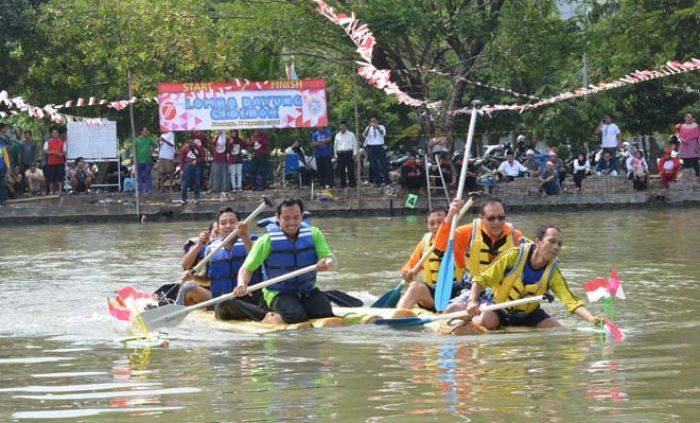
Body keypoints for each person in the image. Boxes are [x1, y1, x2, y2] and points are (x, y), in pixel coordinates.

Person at [460, 225, 601, 330]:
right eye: (551, 241)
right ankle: (469, 321)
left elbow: (570, 300)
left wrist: (591, 318)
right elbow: (481, 279)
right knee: (486, 324)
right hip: (499, 308)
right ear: (538, 242)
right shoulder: (513, 256)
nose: (556, 247)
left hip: (529, 314)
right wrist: (472, 301)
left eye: (559, 244)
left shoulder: (553, 272)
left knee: (558, 331)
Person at [235, 198, 335, 324]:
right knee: (296, 316)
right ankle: (271, 318)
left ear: (302, 216)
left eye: (296, 217)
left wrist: (326, 263)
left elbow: (329, 259)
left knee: (324, 312)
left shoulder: (314, 234)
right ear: (278, 217)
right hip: (278, 293)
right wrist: (241, 283)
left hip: (307, 290)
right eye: (286, 218)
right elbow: (246, 268)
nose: (292, 222)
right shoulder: (266, 241)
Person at [435, 198, 526, 314]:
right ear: (481, 218)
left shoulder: (516, 237)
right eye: (491, 218)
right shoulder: (468, 232)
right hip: (473, 289)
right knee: (451, 310)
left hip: (503, 291)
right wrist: (450, 216)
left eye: (501, 217)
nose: (496, 222)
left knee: (486, 315)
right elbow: (440, 245)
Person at [396, 208, 457, 310]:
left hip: (458, 295)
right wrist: (406, 272)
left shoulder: (461, 238)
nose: (436, 226)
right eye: (431, 224)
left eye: (440, 222)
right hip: (432, 296)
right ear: (427, 226)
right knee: (415, 287)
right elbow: (410, 265)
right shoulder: (425, 243)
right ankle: (398, 316)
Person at [362, 115, 390, 187]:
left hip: (380, 147)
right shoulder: (368, 128)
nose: (373, 122)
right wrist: (369, 127)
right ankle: (377, 182)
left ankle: (387, 181)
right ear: (370, 122)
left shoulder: (381, 126)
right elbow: (364, 135)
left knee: (383, 164)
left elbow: (383, 134)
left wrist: (377, 127)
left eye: (374, 121)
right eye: (372, 121)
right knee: (374, 165)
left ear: (377, 121)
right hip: (371, 147)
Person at [180, 134, 205, 204]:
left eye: (191, 140)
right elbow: (182, 159)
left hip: (196, 166)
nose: (190, 141)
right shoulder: (185, 149)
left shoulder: (199, 148)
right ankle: (183, 198)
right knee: (185, 183)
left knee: (196, 182)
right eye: (188, 140)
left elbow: (203, 156)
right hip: (187, 166)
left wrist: (197, 161)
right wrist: (181, 169)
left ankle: (196, 198)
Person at [334, 121, 357, 188]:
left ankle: (352, 183)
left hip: (349, 153)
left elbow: (354, 144)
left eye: (344, 126)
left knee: (350, 169)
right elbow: (335, 146)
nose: (342, 127)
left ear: (346, 126)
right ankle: (343, 184)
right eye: (341, 126)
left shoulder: (351, 134)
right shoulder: (337, 135)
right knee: (341, 170)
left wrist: (354, 154)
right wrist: (335, 155)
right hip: (340, 154)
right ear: (340, 126)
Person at [43, 127, 67, 195]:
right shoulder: (48, 142)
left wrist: (60, 154)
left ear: (58, 134)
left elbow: (65, 152)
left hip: (60, 162)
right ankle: (51, 191)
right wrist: (52, 152)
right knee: (51, 178)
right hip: (51, 163)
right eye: (53, 133)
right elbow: (45, 151)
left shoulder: (62, 142)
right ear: (51, 134)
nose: (55, 134)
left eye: (56, 133)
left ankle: (60, 190)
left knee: (60, 177)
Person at [134, 127, 156, 195]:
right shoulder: (136, 139)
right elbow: (133, 150)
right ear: (141, 132)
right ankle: (139, 189)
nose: (147, 132)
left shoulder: (149, 139)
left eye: (147, 131)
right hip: (139, 160)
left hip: (147, 160)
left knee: (148, 175)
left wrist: (152, 151)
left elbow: (155, 144)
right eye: (145, 131)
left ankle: (149, 189)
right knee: (139, 175)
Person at [677, 113, 700, 177]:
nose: (687, 118)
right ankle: (686, 176)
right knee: (685, 162)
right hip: (685, 146)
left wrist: (698, 146)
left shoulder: (695, 126)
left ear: (691, 118)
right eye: (686, 117)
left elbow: (699, 137)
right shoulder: (683, 126)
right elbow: (680, 136)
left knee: (695, 162)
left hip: (693, 145)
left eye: (688, 117)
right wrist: (683, 141)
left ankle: (697, 176)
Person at [0, 124, 10, 205]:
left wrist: (8, 166)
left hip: (1, 165)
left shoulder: (3, 140)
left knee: (1, 183)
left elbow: (5, 154)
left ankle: (2, 200)